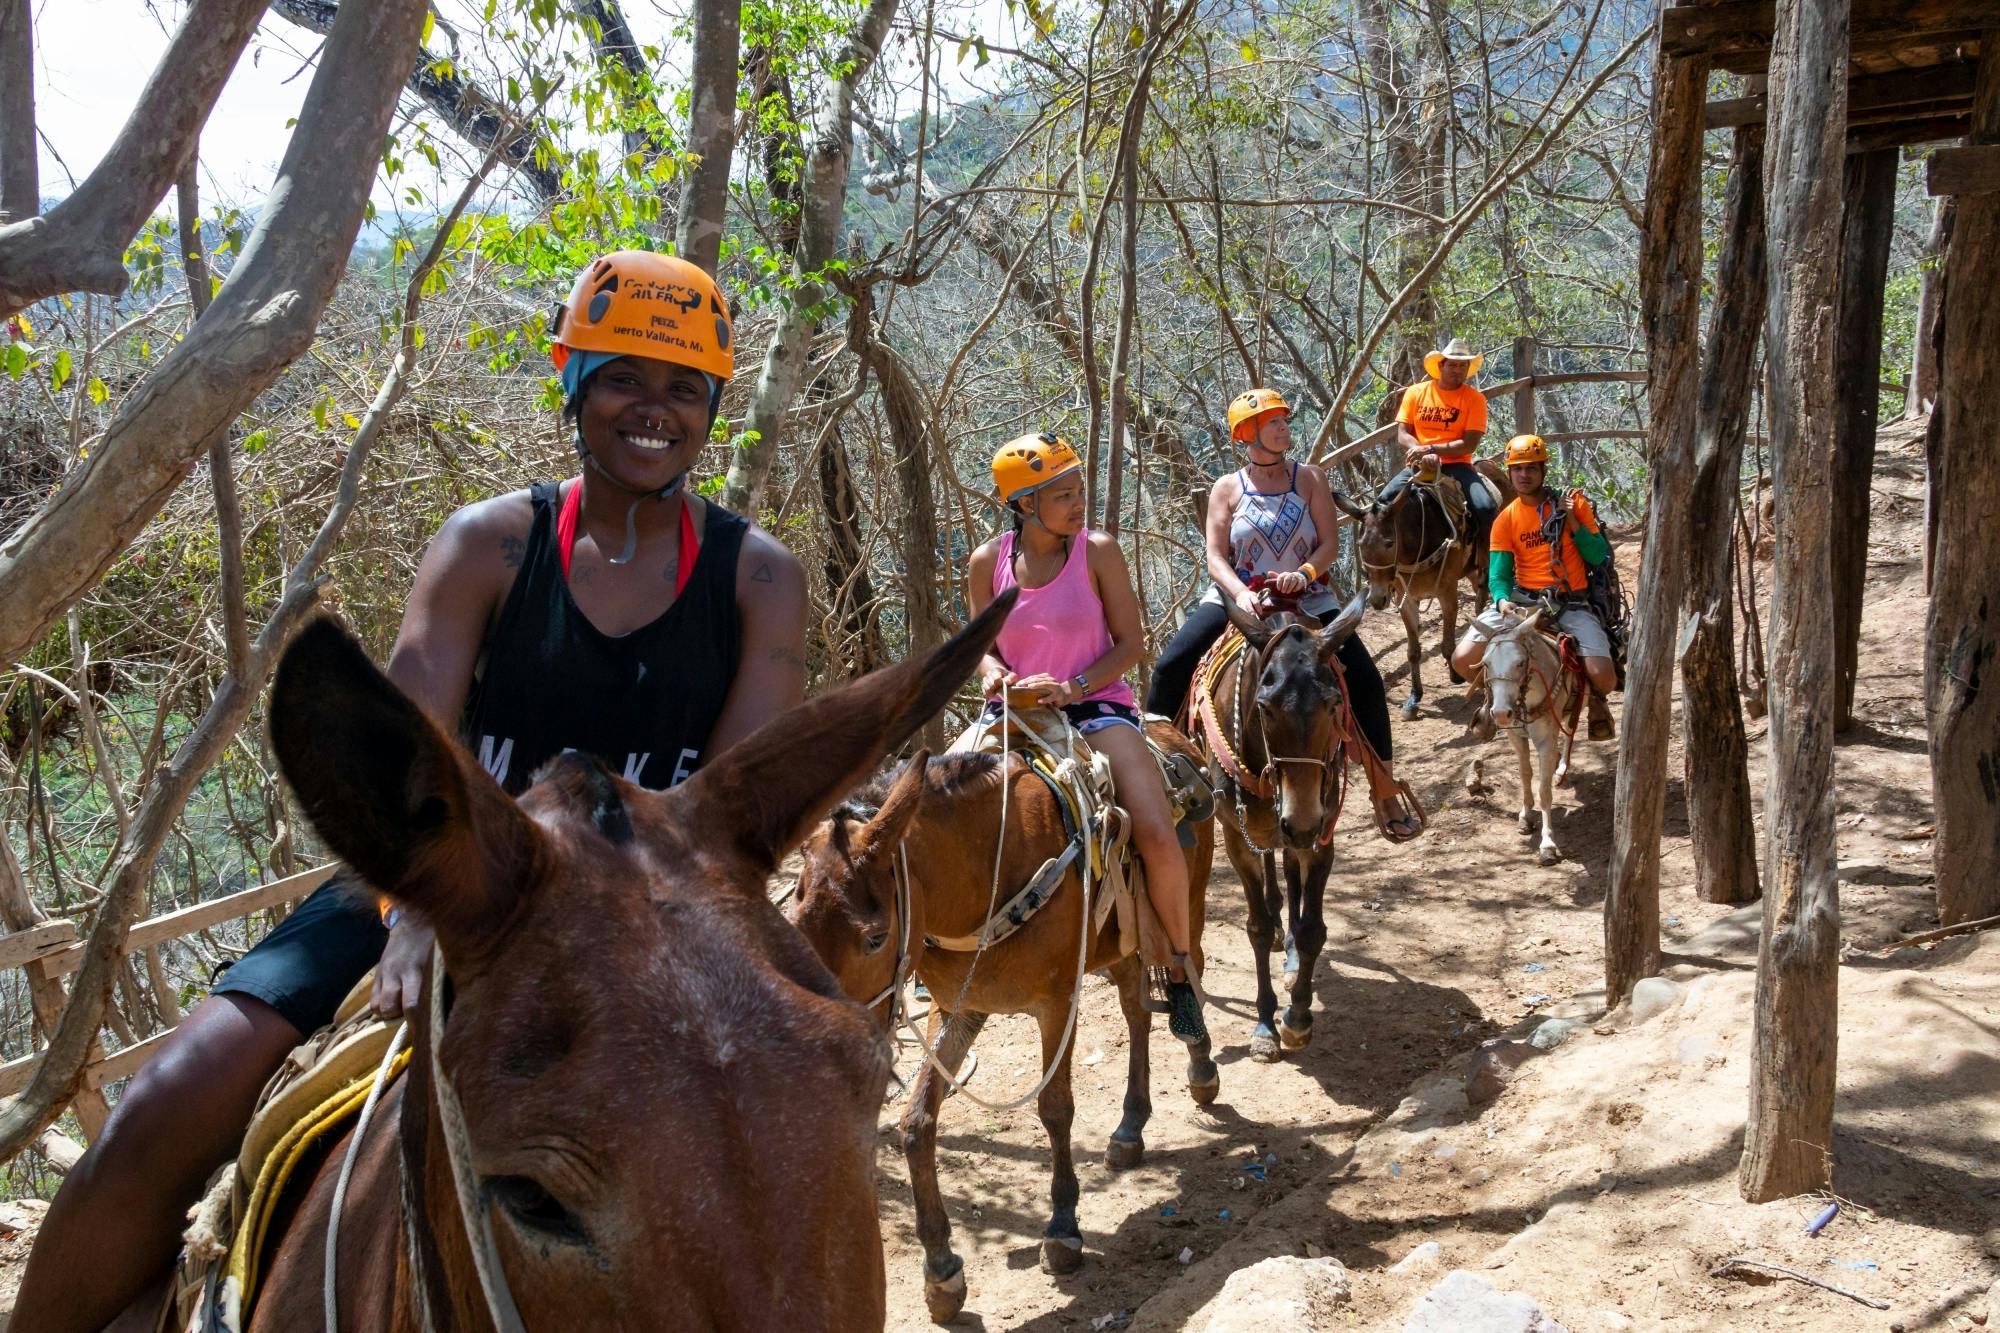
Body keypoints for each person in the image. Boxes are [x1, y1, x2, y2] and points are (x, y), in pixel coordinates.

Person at [13, 251, 811, 1333]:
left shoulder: (756, 578)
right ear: (572, 380)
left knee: (810, 1104)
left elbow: (727, 815)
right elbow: (407, 749)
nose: (652, 410)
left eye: (682, 388)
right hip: (444, 880)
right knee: (170, 1097)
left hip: (651, 915)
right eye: (624, 375)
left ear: (712, 406)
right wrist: (418, 912)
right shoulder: (489, 545)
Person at [965, 433, 1208, 1044]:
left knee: (1153, 828)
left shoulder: (1097, 553)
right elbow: (980, 651)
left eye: (1078, 491)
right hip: (1013, 716)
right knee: (935, 802)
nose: (1078, 504)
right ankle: (933, 949)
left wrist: (1074, 686)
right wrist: (1000, 676)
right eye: (1063, 495)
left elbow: (1131, 645)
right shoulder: (985, 562)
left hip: (1095, 710)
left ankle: (1179, 966)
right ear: (1024, 504)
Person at [1145, 387, 1418, 839]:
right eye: (1272, 422)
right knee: (1172, 665)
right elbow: (1215, 556)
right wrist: (1240, 592)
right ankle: (1161, 779)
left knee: (1365, 679)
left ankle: (1384, 789)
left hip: (1309, 600)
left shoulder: (1309, 478)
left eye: (1283, 420)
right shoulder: (1227, 488)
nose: (1282, 427)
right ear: (1247, 433)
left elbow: (1330, 543)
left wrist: (1306, 572)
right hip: (1243, 600)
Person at [1450, 434, 1618, 739]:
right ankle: (1498, 698)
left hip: (1571, 602)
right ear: (1510, 473)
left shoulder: (1573, 503)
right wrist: (1501, 601)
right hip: (1524, 601)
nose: (1524, 475)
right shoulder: (1506, 519)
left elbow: (1598, 554)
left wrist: (1573, 522)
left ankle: (1596, 701)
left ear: (1543, 471)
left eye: (1530, 468)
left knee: (1604, 677)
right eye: (1517, 469)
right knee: (1462, 660)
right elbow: (1499, 577)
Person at [1376, 337, 1499, 533]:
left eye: (1462, 366)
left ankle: (1489, 560)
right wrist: (1422, 452)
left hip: (1458, 466)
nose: (1458, 370)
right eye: (1452, 365)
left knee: (1486, 508)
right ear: (1441, 366)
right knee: (1381, 505)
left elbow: (1469, 444)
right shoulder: (1415, 393)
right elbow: (1403, 434)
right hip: (1418, 466)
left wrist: (1433, 449)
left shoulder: (1475, 399)